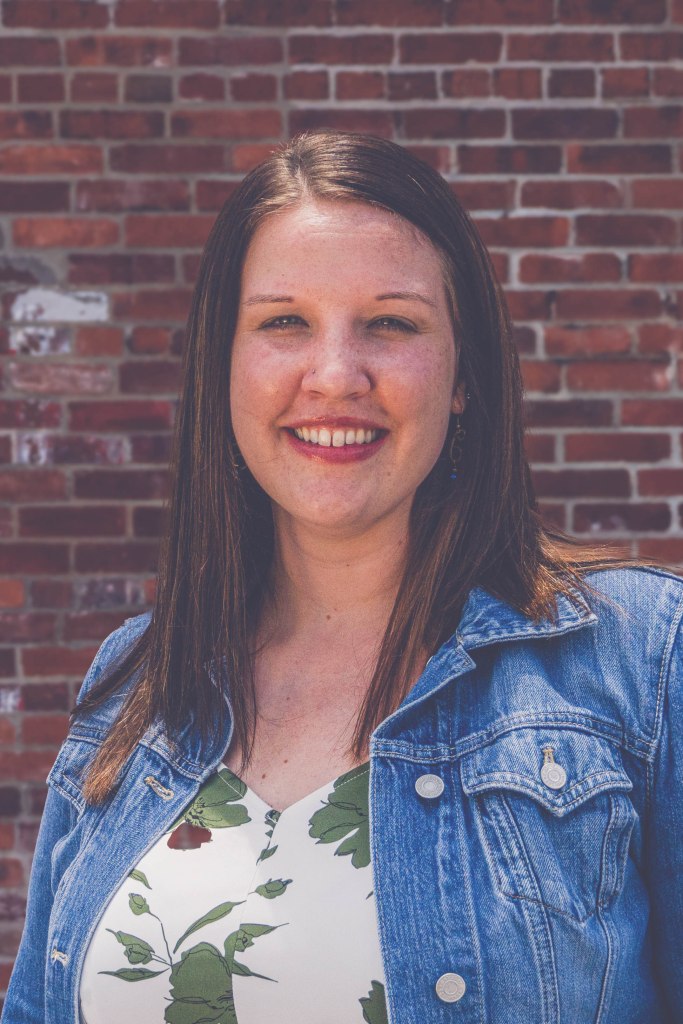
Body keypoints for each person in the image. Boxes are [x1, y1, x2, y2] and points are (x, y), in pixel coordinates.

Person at [3, 129, 682, 1024]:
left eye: (390, 324)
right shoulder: (137, 684)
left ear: (462, 376)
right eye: (283, 322)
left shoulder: (637, 656)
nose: (334, 375)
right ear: (225, 365)